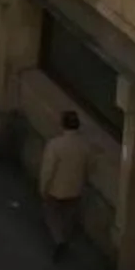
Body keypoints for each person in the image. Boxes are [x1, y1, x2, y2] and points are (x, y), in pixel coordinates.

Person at [38, 108, 89, 260]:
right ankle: (64, 238)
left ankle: (59, 239)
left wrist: (43, 187)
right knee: (68, 217)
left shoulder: (55, 145)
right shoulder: (85, 146)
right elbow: (90, 167)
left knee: (52, 214)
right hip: (75, 189)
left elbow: (48, 169)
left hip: (56, 188)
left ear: (62, 125)